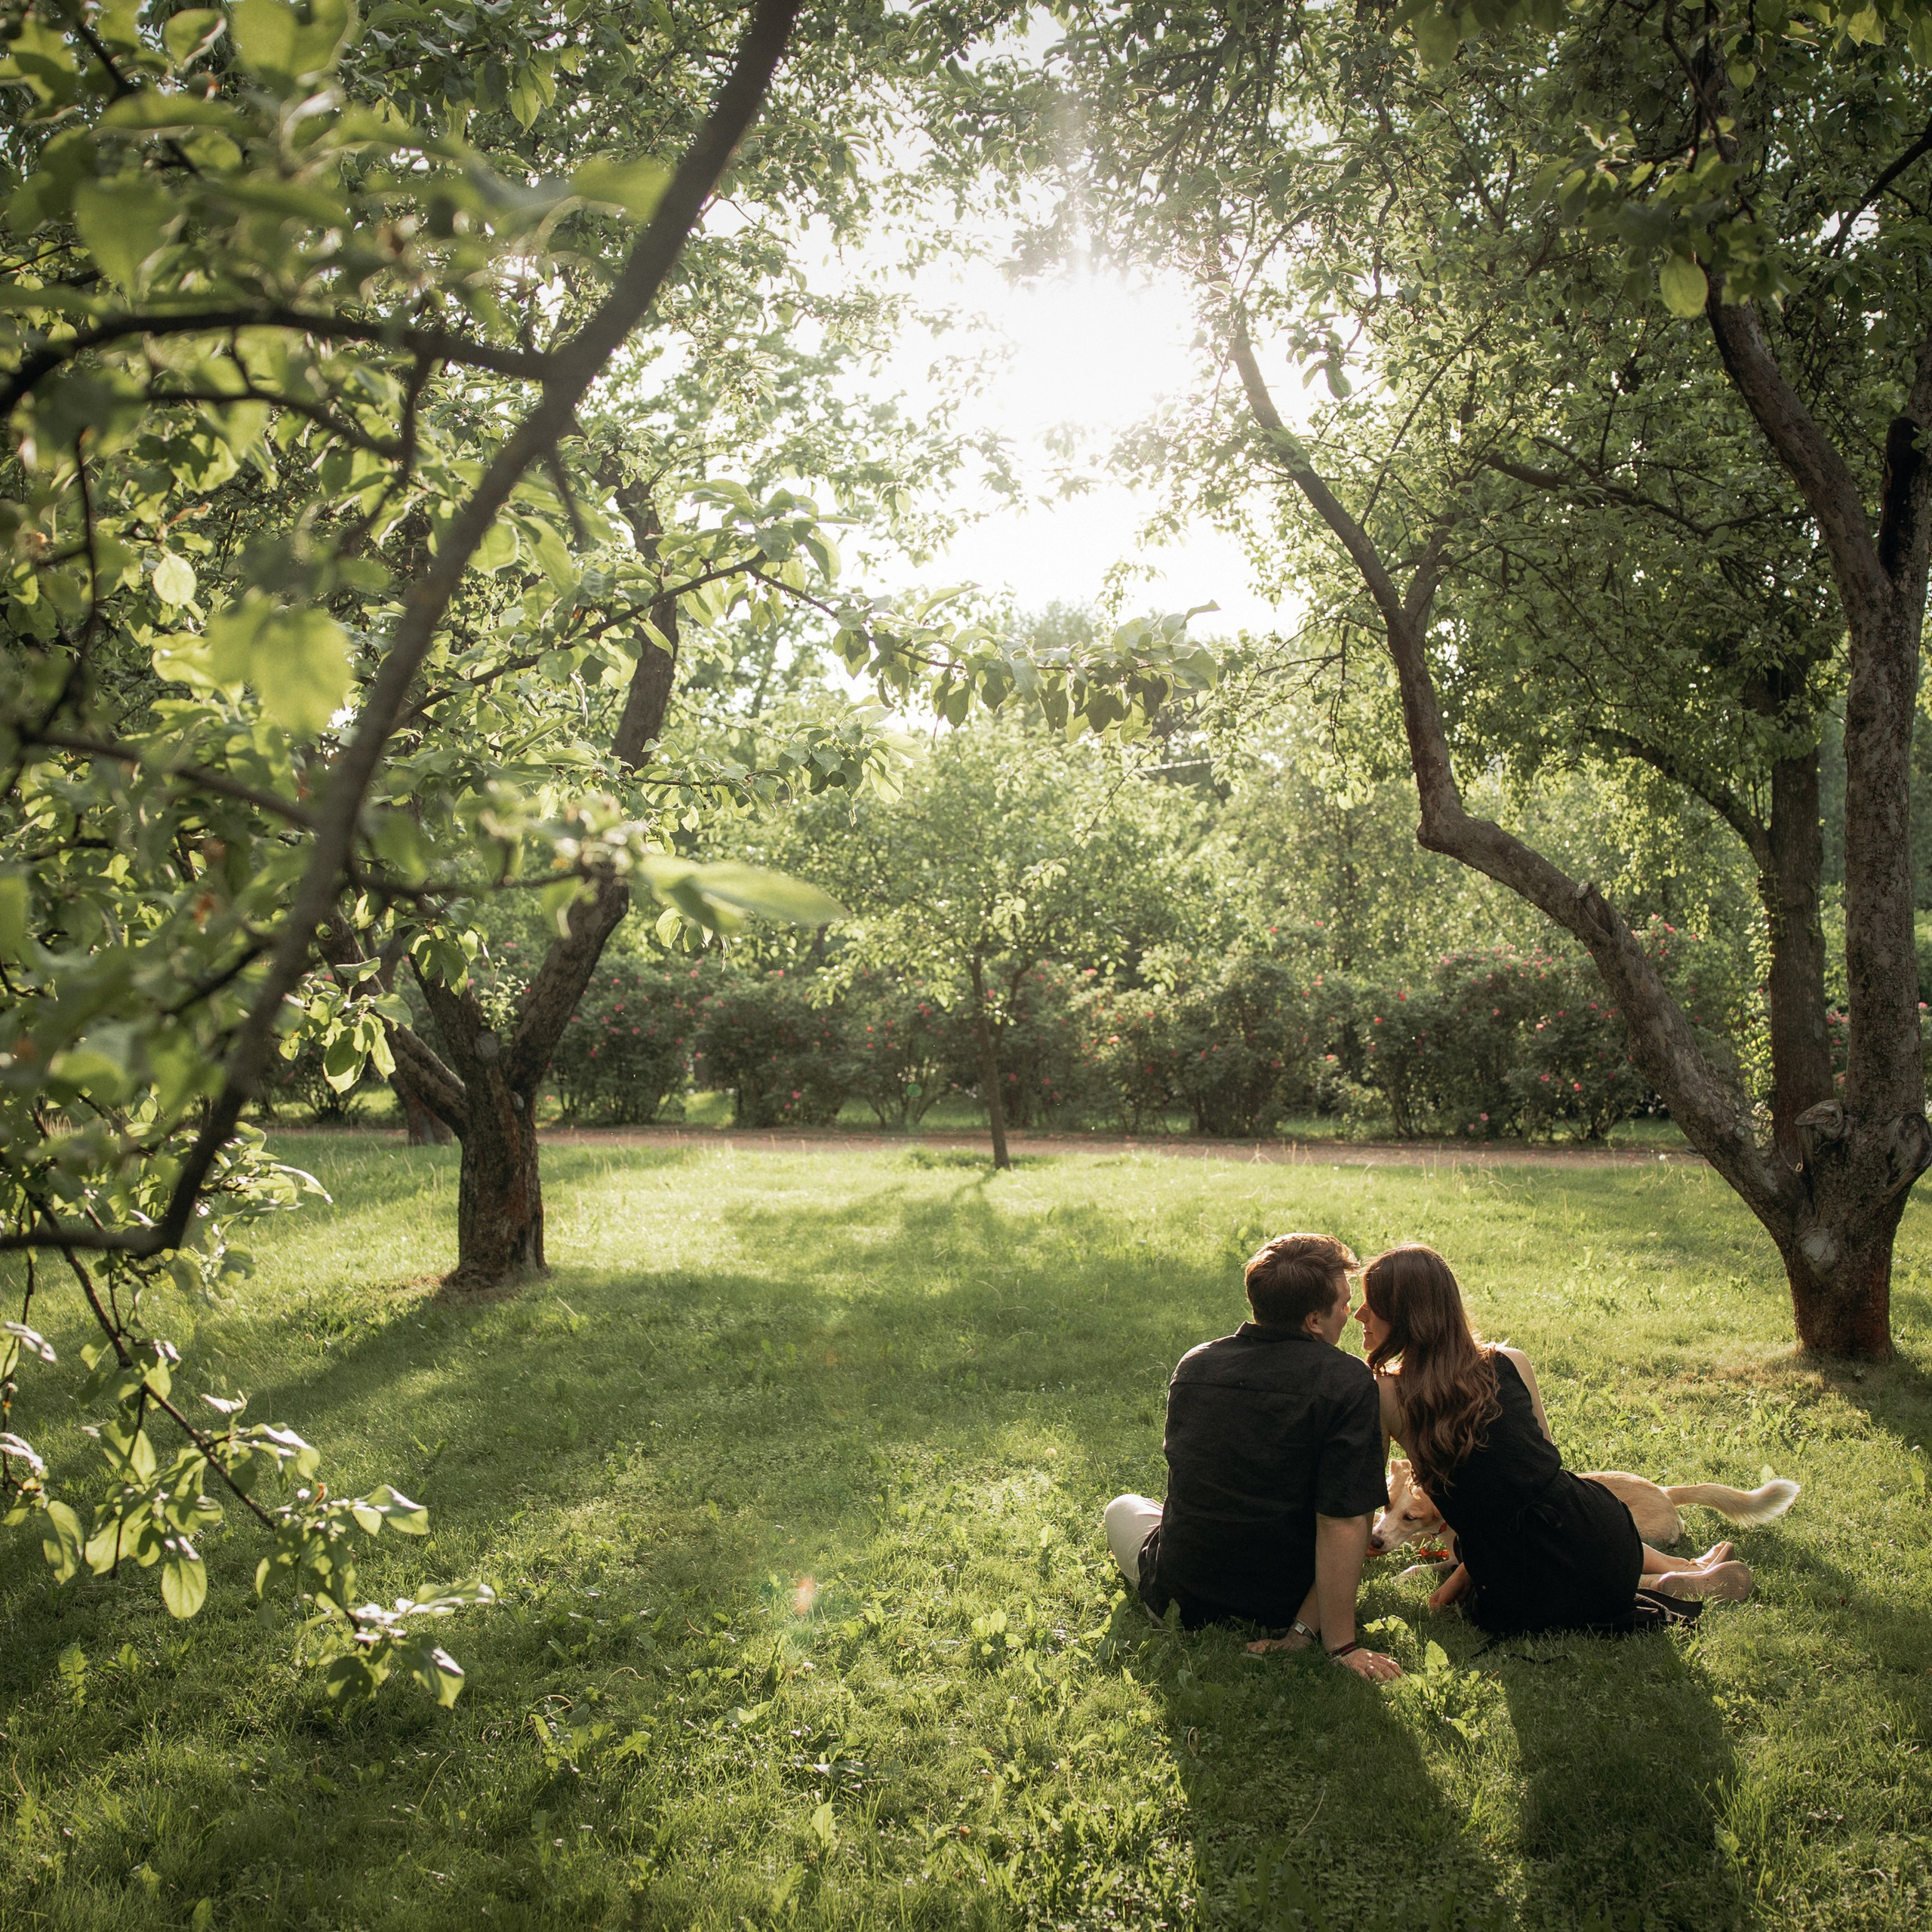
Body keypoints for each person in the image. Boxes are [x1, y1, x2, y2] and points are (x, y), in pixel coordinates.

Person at [1355, 1244, 1753, 1635]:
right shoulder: (1512, 1361)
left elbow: (1358, 1499)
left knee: (1514, 1590)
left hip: (1515, 1581)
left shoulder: (1385, 1395)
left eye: (1372, 1306)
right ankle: (1680, 1571)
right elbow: (1541, 1476)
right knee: (1566, 1554)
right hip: (1600, 1530)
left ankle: (1660, 1581)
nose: (1359, 1315)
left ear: (1408, 1316)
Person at [1103, 1232, 1403, 1682]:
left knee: (1122, 1508)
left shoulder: (1196, 1365)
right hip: (1285, 1599)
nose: (1351, 1311)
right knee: (1352, 1508)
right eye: (1343, 1302)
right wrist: (1339, 1644)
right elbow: (1343, 1520)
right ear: (1314, 1320)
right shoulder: (1348, 1382)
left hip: (1183, 1597)